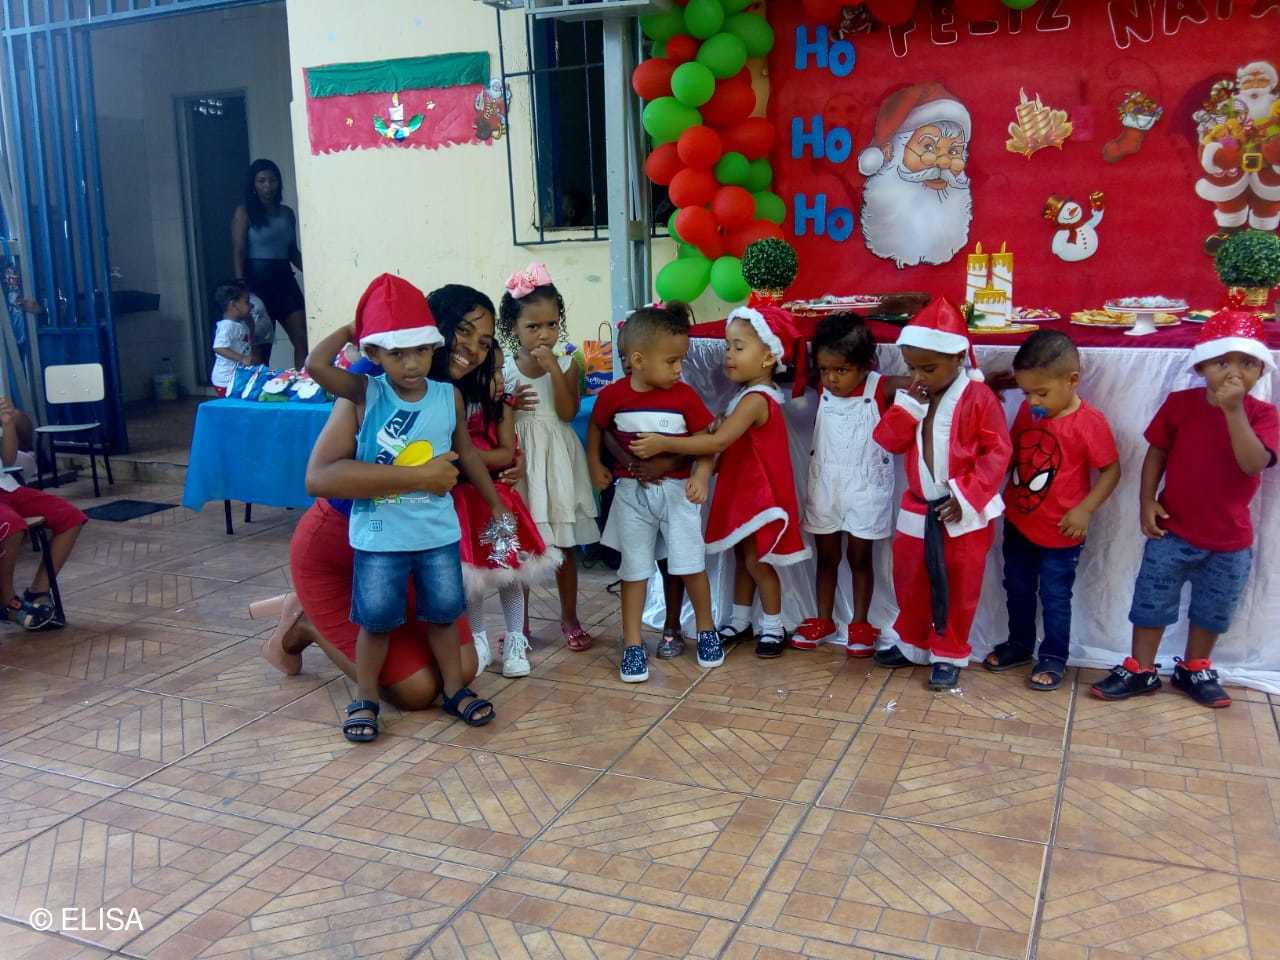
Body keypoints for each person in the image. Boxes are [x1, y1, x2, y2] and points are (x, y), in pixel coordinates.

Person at [260, 284, 504, 722]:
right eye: (464, 332)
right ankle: (307, 623)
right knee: (415, 689)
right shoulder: (369, 383)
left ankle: (446, 686)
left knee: (462, 666)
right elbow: (319, 477)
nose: (472, 349)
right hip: (348, 546)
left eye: (484, 342)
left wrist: (497, 479)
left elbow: (458, 453)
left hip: (419, 538)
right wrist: (421, 477)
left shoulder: (448, 391)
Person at [1092, 308, 1278, 708]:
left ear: (1261, 370)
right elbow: (1157, 451)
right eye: (1222, 362)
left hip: (1229, 542)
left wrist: (1233, 411)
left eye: (1246, 363)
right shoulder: (1180, 404)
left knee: (1213, 610)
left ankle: (1195, 668)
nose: (1233, 373)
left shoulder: (1264, 415)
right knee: (1151, 601)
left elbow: (1253, 464)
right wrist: (1146, 500)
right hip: (1172, 530)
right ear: (1201, 366)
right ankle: (1141, 669)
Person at [630, 297, 810, 659]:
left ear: (768, 357)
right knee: (743, 557)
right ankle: (741, 619)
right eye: (728, 346)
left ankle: (773, 626)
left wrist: (666, 442)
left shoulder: (756, 399)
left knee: (757, 561)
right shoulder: (745, 396)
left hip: (759, 494)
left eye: (738, 348)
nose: (728, 355)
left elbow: (719, 441)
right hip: (744, 492)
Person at [871, 297, 1012, 690]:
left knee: (958, 585)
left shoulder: (978, 398)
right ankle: (912, 643)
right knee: (910, 579)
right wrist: (907, 410)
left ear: (958, 358)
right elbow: (887, 440)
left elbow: (998, 452)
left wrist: (966, 496)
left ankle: (948, 653)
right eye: (911, 367)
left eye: (928, 368)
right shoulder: (913, 396)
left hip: (962, 511)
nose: (919, 376)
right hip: (917, 507)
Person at [587, 302, 720, 681]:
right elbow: (597, 427)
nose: (679, 369)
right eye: (672, 361)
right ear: (639, 360)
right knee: (634, 570)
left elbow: (707, 442)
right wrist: (594, 463)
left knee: (690, 564)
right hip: (632, 495)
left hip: (677, 493)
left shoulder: (685, 397)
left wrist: (701, 476)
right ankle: (632, 643)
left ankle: (706, 630)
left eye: (682, 361)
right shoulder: (614, 396)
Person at [983, 330, 1120, 690]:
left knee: (1056, 597)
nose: (1032, 402)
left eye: (1041, 393)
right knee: (1017, 587)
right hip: (1019, 521)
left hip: (1062, 531)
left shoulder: (1089, 422)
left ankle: (1054, 656)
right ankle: (1019, 644)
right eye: (1026, 392)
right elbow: (1012, 454)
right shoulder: (1028, 412)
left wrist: (1085, 510)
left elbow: (1111, 470)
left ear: (1072, 380)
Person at [499, 262, 599, 652]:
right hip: (522, 463)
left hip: (557, 461)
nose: (544, 334)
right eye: (533, 326)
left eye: (552, 325)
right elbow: (495, 415)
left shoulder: (569, 364)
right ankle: (518, 623)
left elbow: (568, 412)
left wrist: (554, 370)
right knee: (521, 544)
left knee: (564, 545)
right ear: (514, 328)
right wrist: (509, 403)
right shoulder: (504, 368)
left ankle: (569, 617)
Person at [794, 313, 907, 657]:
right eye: (824, 370)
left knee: (860, 557)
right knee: (826, 557)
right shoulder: (822, 387)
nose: (831, 378)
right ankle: (823, 619)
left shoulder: (881, 388)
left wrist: (979, 382)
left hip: (866, 487)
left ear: (865, 364)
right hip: (826, 484)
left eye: (841, 370)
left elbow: (924, 381)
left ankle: (860, 623)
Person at [456, 344, 560, 679]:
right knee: (472, 578)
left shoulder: (501, 406)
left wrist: (464, 459)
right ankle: (478, 642)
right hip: (464, 503)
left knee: (509, 573)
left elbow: (505, 453)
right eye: (493, 372)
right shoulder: (453, 405)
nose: (502, 378)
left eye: (502, 370)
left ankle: (516, 641)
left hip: (497, 502)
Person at [0, 397, 86, 629]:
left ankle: (38, 590)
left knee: (70, 517)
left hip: (6, 486)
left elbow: (8, 459)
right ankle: (7, 602)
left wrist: (7, 423)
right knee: (12, 526)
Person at [232, 158, 307, 367]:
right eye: (261, 181)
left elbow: (292, 251)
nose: (268, 186)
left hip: (285, 281)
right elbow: (239, 250)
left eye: (272, 180)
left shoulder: (287, 213)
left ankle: (304, 382)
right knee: (261, 346)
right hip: (257, 284)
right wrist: (240, 285)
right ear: (253, 184)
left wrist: (314, 274)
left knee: (302, 338)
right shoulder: (244, 212)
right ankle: (261, 386)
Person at [210, 282, 254, 397]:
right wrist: (242, 358)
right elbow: (219, 347)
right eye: (246, 302)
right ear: (233, 305)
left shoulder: (240, 324)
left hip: (237, 376)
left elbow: (249, 338)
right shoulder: (227, 326)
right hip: (226, 380)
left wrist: (250, 322)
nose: (251, 305)